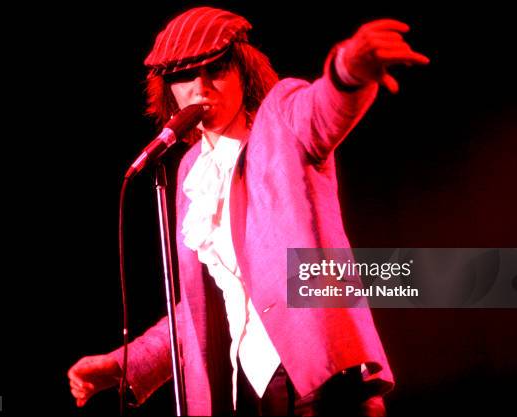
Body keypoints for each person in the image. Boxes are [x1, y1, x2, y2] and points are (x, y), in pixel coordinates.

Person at [68, 6, 429, 416]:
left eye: (217, 70)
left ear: (243, 72)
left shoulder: (280, 123)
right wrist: (124, 365)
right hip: (248, 387)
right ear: (169, 90)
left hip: (319, 374)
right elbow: (200, 308)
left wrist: (348, 70)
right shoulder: (190, 177)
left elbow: (322, 110)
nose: (201, 87)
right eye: (185, 76)